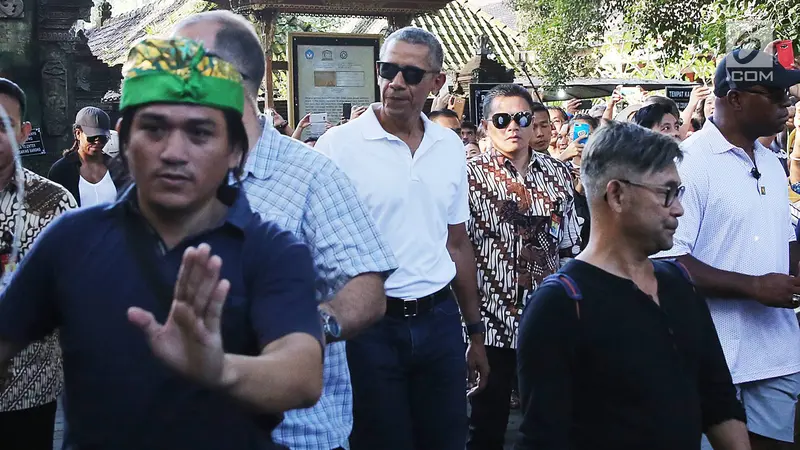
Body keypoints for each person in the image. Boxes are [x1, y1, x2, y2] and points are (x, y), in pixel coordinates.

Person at [0, 37, 324, 449]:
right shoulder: (72, 239)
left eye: (200, 132)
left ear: (234, 150)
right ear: (124, 140)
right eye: (153, 129)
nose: (173, 152)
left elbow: (301, 375)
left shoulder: (272, 251)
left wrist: (219, 369)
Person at [173, 11, 397, 450]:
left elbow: (368, 289)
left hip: (295, 433)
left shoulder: (311, 176)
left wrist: (305, 329)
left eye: (181, 69)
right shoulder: (178, 171)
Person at [517, 120, 750, 450]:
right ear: (616, 194)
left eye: (678, 193)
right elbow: (542, 437)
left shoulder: (678, 284)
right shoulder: (562, 304)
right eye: (666, 193)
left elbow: (718, 402)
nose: (679, 208)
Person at [314, 26, 489, 450]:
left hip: (439, 322)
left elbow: (457, 242)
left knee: (447, 439)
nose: (395, 83)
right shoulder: (338, 147)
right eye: (387, 69)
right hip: (370, 330)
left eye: (410, 74)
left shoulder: (448, 147)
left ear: (437, 83)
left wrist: (475, 330)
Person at [655, 49, 800, 450]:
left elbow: (783, 240)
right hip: (710, 358)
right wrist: (753, 287)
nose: (786, 104)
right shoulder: (687, 162)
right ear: (735, 98)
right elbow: (668, 261)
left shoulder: (772, 162)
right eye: (775, 94)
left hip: (778, 354)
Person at [466, 84, 580, 450]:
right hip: (488, 324)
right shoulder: (466, 178)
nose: (513, 126)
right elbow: (456, 251)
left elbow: (570, 247)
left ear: (534, 123)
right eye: (502, 119)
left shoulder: (558, 174)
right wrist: (469, 330)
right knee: (485, 428)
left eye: (522, 118)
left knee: (549, 426)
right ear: (486, 126)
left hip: (547, 321)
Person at [0, 78, 76, 450]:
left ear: (24, 131)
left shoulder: (54, 203)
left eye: (3, 125)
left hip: (30, 388)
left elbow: (76, 294)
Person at [48, 107, 125, 207]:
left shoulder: (118, 168)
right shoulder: (61, 171)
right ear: (78, 134)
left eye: (102, 137)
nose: (97, 142)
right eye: (92, 137)